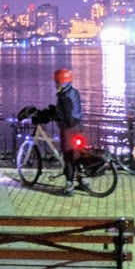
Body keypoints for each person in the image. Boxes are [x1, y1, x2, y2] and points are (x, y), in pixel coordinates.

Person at [42, 67, 86, 196]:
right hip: (78, 126)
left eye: (56, 81)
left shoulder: (64, 96)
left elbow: (66, 115)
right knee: (77, 155)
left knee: (68, 157)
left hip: (68, 129)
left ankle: (69, 187)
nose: (55, 84)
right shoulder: (73, 92)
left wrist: (54, 116)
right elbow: (73, 110)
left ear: (59, 81)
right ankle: (84, 182)